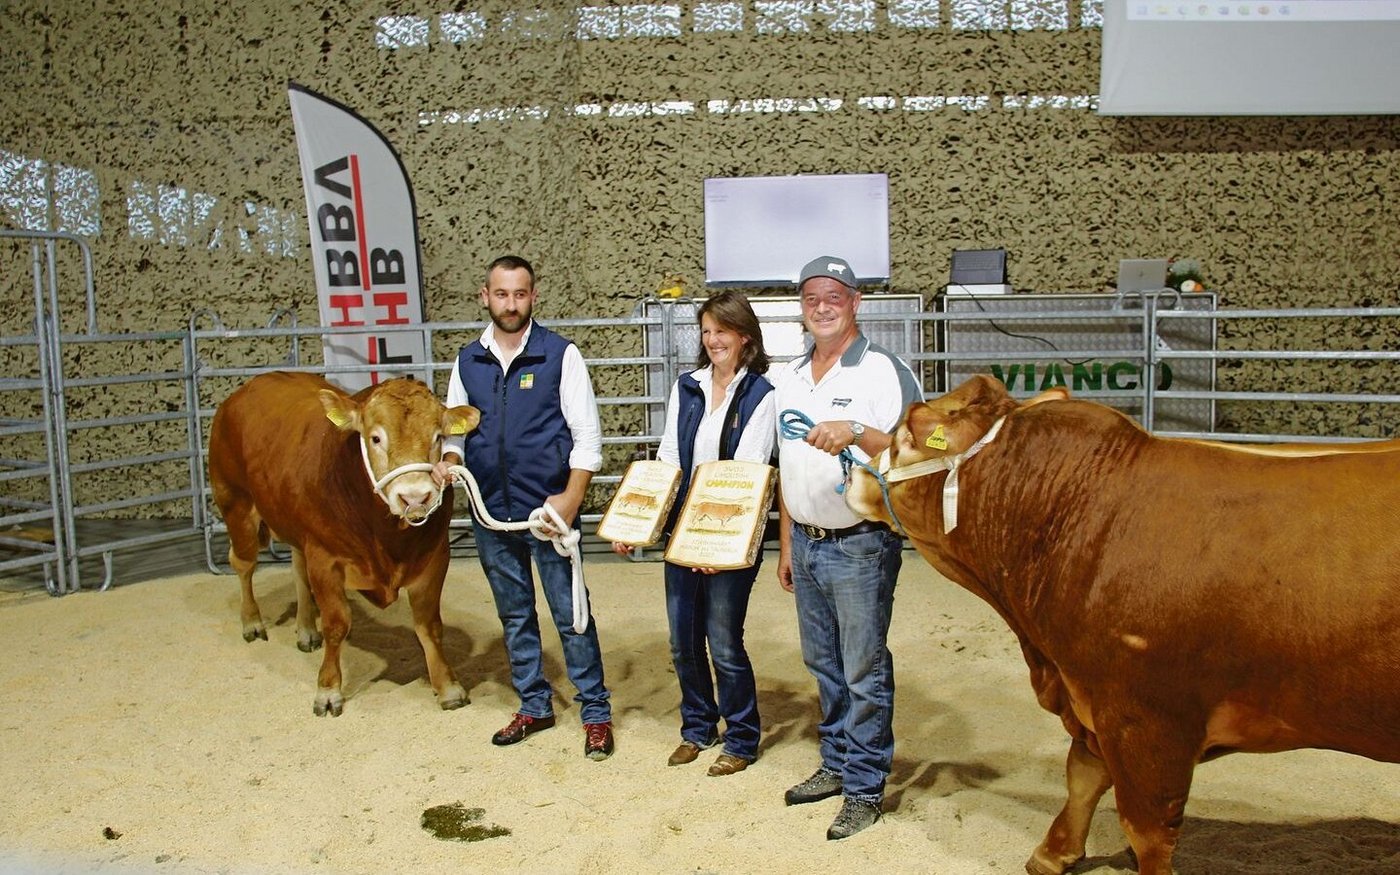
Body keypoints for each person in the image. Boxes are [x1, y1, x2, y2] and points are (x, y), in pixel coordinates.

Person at [433, 255, 614, 761]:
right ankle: (534, 704)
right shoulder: (468, 360)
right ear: (484, 297)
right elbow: (455, 431)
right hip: (490, 513)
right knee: (514, 615)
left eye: (519, 294)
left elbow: (587, 438)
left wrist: (571, 498)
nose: (510, 304)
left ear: (533, 297)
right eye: (501, 294)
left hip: (549, 513)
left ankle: (595, 712)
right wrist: (449, 460)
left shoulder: (561, 355)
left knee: (571, 613)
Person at [772, 255, 921, 840]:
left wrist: (858, 431)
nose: (823, 305)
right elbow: (787, 465)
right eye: (812, 297)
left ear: (857, 302)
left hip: (861, 543)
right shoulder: (792, 374)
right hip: (806, 542)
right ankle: (834, 762)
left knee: (863, 668)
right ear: (803, 309)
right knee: (823, 663)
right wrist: (785, 544)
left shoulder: (883, 370)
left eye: (835, 295)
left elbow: (918, 449)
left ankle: (864, 785)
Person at [611, 291, 777, 777]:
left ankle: (742, 739)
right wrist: (637, 525)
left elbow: (746, 470)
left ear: (744, 335)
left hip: (730, 529)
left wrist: (716, 542)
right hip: (683, 533)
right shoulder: (687, 387)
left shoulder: (762, 395)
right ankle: (698, 728)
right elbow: (668, 457)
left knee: (724, 642)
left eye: (721, 331)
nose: (712, 340)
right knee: (683, 640)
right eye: (706, 331)